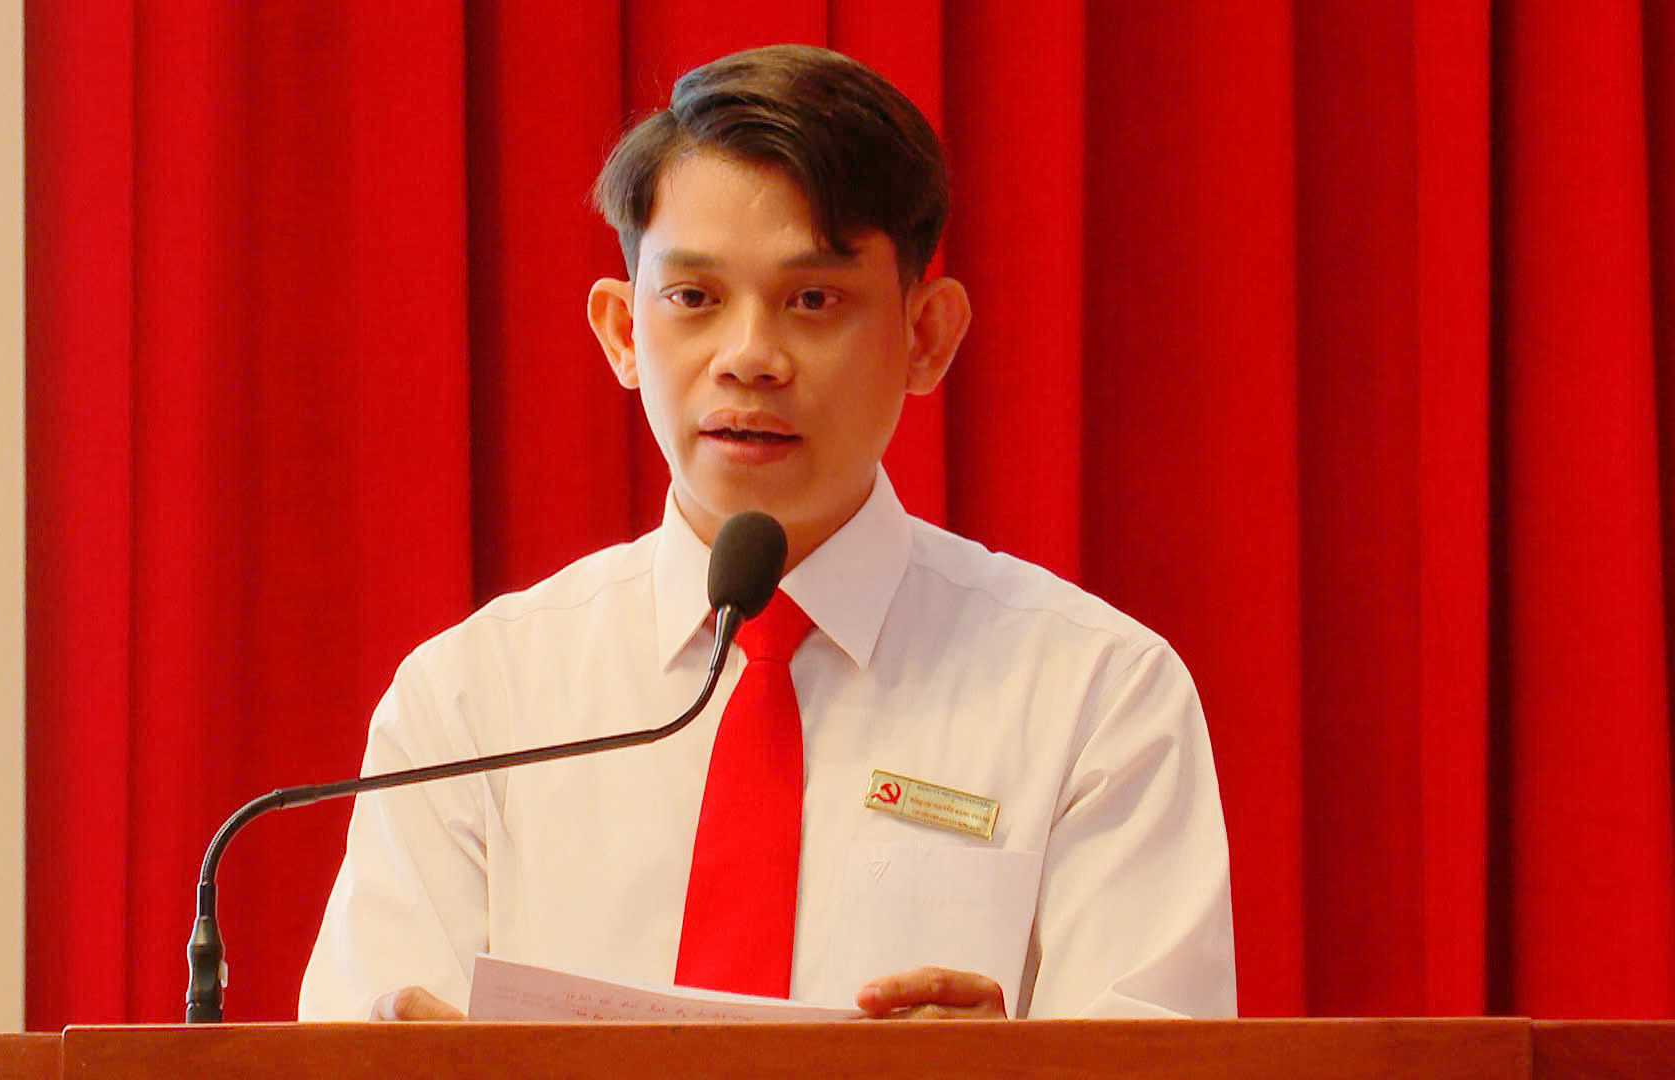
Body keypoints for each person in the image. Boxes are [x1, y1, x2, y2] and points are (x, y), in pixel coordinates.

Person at [299, 44, 1234, 1022]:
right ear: (622, 331)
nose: (749, 357)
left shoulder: (1097, 695)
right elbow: (368, 1035)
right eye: (694, 299)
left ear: (926, 336)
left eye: (813, 301)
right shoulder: (473, 702)